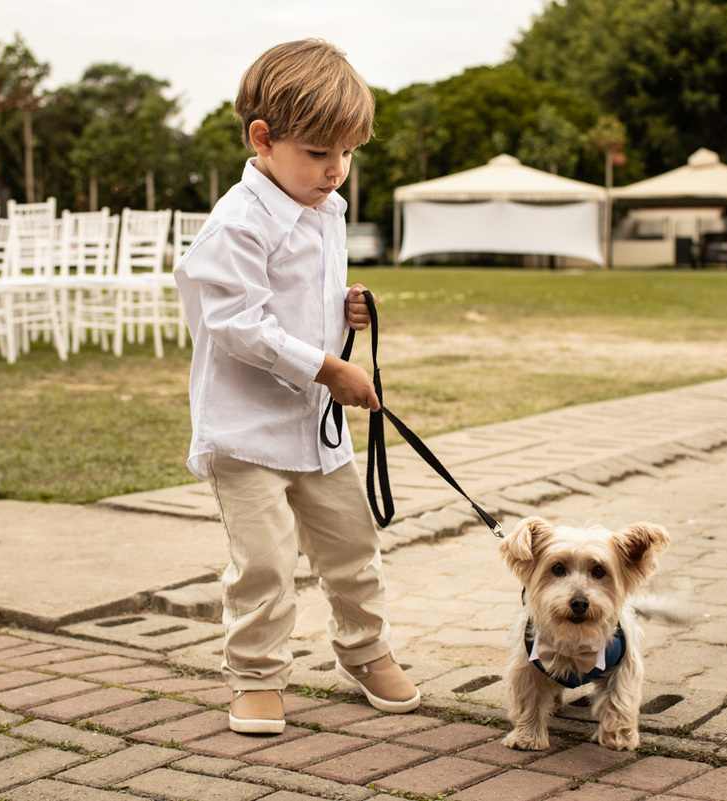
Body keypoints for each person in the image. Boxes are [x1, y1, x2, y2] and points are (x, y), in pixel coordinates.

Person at [173, 39, 420, 735]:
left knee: (352, 546)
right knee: (265, 564)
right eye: (319, 152)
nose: (336, 170)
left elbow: (302, 295)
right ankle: (255, 676)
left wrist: (347, 306)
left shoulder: (325, 209)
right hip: (246, 432)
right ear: (263, 138)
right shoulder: (238, 222)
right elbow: (234, 323)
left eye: (347, 153)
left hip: (317, 432)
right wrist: (330, 368)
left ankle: (366, 650)